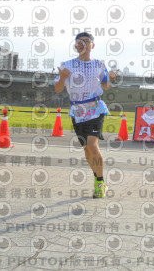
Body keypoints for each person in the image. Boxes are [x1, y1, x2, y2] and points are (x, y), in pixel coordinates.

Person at [54, 32, 119, 198]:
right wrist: (62, 77)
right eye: (79, 41)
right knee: (86, 148)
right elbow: (58, 89)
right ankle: (97, 178)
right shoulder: (67, 65)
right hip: (77, 110)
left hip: (95, 108)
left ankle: (100, 183)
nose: (83, 43)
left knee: (92, 144)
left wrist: (111, 79)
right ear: (75, 45)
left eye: (86, 41)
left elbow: (105, 86)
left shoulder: (99, 64)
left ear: (92, 45)